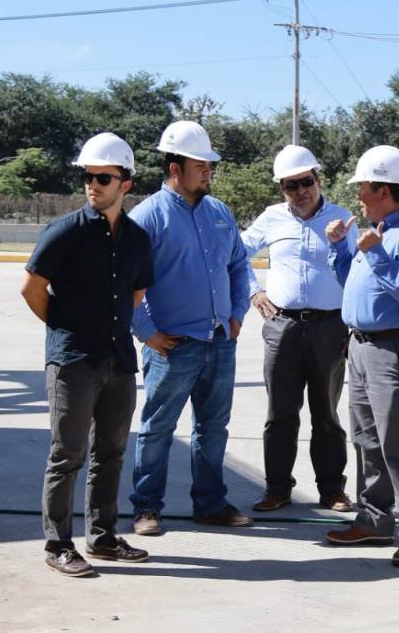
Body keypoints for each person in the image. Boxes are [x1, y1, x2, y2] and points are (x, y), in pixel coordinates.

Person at [21, 132, 153, 577]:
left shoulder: (136, 238)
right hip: (74, 362)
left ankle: (102, 538)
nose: (92, 185)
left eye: (102, 177)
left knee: (111, 454)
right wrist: (65, 329)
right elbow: (32, 288)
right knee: (67, 454)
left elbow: (138, 290)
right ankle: (58, 544)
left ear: (125, 184)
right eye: (87, 177)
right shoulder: (64, 232)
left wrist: (109, 327)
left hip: (118, 360)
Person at [322, 145, 399, 567]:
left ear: (382, 188)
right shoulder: (374, 229)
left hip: (397, 347)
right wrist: (342, 249)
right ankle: (374, 519)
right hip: (360, 345)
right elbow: (353, 283)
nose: (357, 195)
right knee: (367, 439)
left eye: (362, 187)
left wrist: (374, 251)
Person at [128, 121, 253, 535]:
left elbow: (238, 265)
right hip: (172, 346)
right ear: (174, 167)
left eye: (209, 165)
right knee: (158, 428)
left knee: (213, 427)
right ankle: (146, 507)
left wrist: (237, 314)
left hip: (219, 341)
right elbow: (125, 283)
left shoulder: (220, 213)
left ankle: (210, 502)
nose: (208, 172)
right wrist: (146, 332)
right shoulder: (148, 216)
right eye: (200, 165)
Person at [240, 145, 355, 513]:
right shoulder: (272, 218)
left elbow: (356, 273)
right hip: (283, 327)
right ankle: (277, 488)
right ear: (282, 190)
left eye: (307, 182)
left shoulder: (342, 219)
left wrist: (353, 325)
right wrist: (254, 291)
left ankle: (332, 489)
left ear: (318, 180)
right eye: (292, 186)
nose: (301, 191)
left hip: (329, 328)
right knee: (280, 414)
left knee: (327, 414)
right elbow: (236, 253)